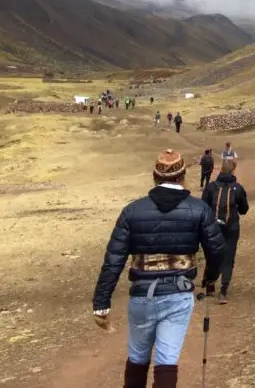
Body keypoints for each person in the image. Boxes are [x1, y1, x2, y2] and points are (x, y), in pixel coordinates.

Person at [91, 149, 225, 388]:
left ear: (155, 177)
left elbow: (114, 258)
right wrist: (210, 278)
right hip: (178, 293)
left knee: (138, 358)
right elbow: (216, 249)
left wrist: (101, 302)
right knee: (167, 360)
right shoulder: (198, 209)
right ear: (182, 176)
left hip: (142, 295)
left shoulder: (132, 211)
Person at [200, 158, 248, 304]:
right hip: (232, 227)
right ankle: (223, 291)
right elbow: (244, 209)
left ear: (220, 169)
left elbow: (203, 207)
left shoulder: (211, 187)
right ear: (233, 170)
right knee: (228, 257)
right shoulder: (238, 188)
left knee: (212, 254)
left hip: (213, 227)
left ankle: (210, 286)